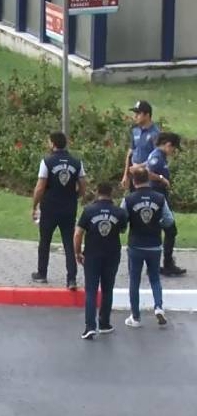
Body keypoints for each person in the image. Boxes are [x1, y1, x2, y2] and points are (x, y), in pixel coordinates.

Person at [73, 182, 128, 339]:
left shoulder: (88, 211)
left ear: (97, 192)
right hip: (112, 255)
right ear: (111, 193)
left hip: (92, 255)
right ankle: (104, 324)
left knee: (91, 290)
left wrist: (77, 252)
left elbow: (78, 233)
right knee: (107, 289)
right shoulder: (120, 212)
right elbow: (123, 230)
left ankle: (90, 327)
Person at [30, 132, 86, 288]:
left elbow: (40, 187)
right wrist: (75, 196)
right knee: (69, 242)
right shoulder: (76, 162)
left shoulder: (47, 162)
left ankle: (42, 273)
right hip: (69, 208)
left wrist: (34, 205)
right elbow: (83, 185)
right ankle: (71, 278)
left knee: (45, 240)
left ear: (53, 144)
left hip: (49, 207)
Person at [121, 167, 173, 328]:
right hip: (154, 244)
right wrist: (158, 224)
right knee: (155, 278)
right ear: (148, 179)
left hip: (136, 244)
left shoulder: (128, 199)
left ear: (134, 180)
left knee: (134, 281)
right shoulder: (159, 198)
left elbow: (122, 221)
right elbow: (169, 220)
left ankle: (135, 317)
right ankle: (158, 307)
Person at [144, 132, 185, 277]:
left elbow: (145, 166)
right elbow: (148, 172)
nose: (173, 151)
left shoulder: (159, 156)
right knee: (170, 230)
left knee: (158, 231)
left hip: (160, 197)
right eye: (173, 148)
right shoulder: (157, 156)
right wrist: (162, 178)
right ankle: (167, 264)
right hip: (158, 198)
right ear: (168, 145)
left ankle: (156, 265)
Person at [122, 100, 160, 190]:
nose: (135, 116)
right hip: (134, 173)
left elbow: (156, 157)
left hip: (146, 175)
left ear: (147, 115)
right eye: (134, 113)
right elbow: (130, 152)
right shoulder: (135, 130)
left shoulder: (155, 133)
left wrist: (139, 166)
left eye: (138, 113)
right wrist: (125, 175)